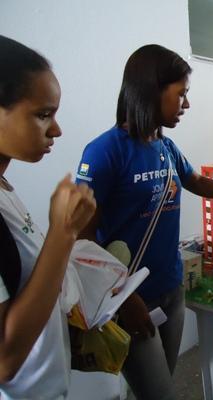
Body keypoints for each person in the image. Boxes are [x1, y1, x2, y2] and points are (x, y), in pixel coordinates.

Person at [75, 44, 213, 400]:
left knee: (159, 381)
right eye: (181, 93)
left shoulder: (165, 148)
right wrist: (124, 298)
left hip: (171, 289)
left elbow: (195, 181)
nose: (187, 104)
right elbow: (83, 239)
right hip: (131, 300)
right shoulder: (104, 152)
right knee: (159, 393)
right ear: (152, 89)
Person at [0, 35, 96, 399]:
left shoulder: (5, 189)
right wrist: (63, 232)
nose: (56, 130)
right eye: (43, 115)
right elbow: (4, 360)